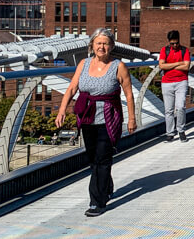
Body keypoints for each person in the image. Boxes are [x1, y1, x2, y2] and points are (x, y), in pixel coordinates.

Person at [56, 28, 137, 217]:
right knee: (93, 159)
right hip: (87, 117)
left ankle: (97, 202)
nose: (102, 47)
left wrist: (132, 119)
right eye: (98, 43)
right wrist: (61, 110)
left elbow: (129, 94)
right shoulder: (83, 64)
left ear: (111, 46)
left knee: (102, 158)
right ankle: (106, 185)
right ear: (92, 45)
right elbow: (72, 88)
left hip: (109, 118)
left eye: (105, 43)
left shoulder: (119, 66)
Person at [158, 30, 191, 143]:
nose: (175, 45)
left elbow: (187, 67)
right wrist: (178, 64)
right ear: (169, 43)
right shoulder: (164, 50)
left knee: (181, 106)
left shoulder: (184, 50)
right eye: (172, 43)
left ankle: (181, 130)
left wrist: (169, 66)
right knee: (169, 110)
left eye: (176, 43)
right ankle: (170, 133)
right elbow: (161, 65)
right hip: (166, 83)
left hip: (181, 82)